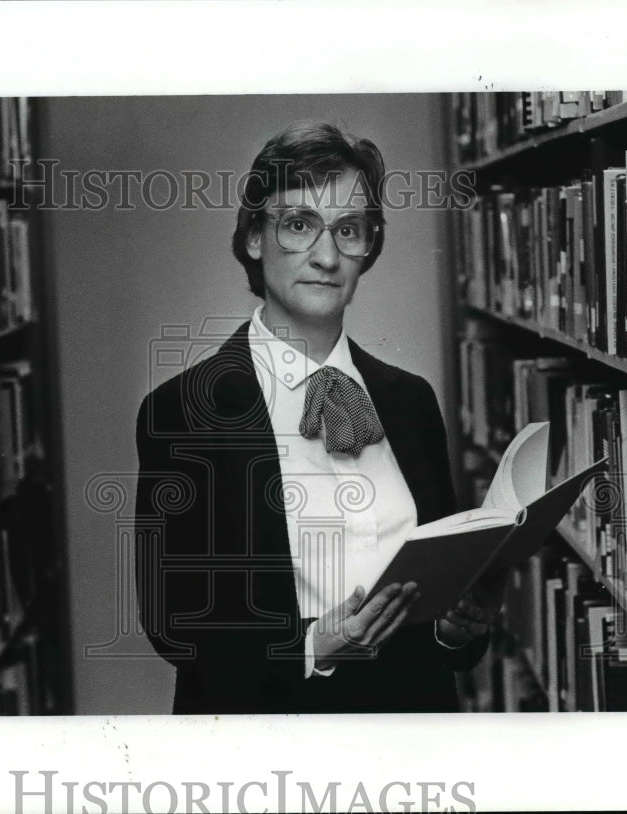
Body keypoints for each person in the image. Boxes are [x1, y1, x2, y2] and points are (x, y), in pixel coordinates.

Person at [134, 121, 502, 714]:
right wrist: (314, 646)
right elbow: (172, 624)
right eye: (299, 225)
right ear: (255, 236)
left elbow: (438, 611)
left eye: (349, 230)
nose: (327, 257)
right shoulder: (183, 412)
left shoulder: (410, 401)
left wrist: (457, 631)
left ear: (368, 248)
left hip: (410, 737)